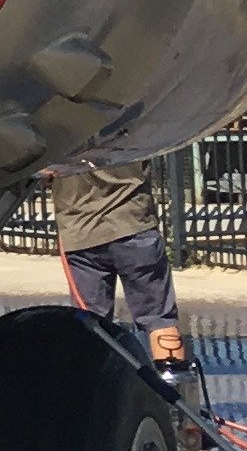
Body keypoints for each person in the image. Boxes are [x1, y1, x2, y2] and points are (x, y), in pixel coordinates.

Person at [47, 155, 185, 378]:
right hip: (133, 223)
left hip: (82, 232)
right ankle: (177, 394)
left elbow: (42, 167)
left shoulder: (62, 128)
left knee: (91, 326)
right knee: (159, 319)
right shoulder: (127, 124)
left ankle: (91, 400)